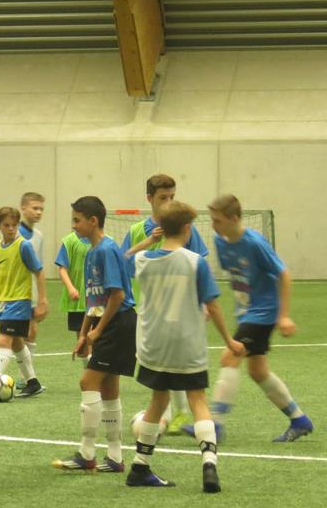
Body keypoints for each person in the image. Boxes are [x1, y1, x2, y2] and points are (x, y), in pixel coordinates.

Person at [128, 201, 244, 491]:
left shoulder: (142, 260)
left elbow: (123, 257)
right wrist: (229, 340)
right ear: (188, 228)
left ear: (161, 228)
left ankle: (140, 467)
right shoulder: (195, 262)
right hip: (186, 344)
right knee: (198, 400)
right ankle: (209, 465)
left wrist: (148, 241)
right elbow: (213, 306)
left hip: (154, 344)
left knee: (158, 401)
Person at [189, 194, 313, 443]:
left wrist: (283, 316)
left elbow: (284, 274)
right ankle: (299, 420)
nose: (213, 225)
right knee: (258, 371)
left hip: (263, 312)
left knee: (230, 355)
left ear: (234, 218)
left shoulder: (255, 243)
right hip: (247, 312)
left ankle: (215, 424)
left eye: (217, 220)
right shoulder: (220, 240)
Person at [121, 173, 209, 434]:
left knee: (177, 360)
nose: (169, 202)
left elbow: (200, 261)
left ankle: (175, 414)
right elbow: (124, 263)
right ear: (150, 198)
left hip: (183, 308)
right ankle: (169, 414)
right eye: (163, 198)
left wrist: (203, 301)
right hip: (151, 309)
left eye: (172, 197)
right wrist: (148, 242)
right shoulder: (137, 231)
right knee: (161, 364)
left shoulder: (184, 226)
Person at [53, 196, 135, 474]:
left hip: (119, 321)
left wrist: (99, 330)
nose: (74, 226)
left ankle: (87, 453)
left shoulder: (107, 250)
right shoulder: (91, 252)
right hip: (106, 321)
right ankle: (115, 457)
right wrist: (84, 332)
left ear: (93, 220)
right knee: (108, 388)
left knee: (87, 381)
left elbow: (117, 295)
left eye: (77, 220)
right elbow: (94, 299)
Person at [0, 206, 47, 397]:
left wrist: (42, 300)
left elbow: (39, 272)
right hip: (2, 303)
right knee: (17, 343)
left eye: (14, 225)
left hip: (19, 302)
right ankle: (33, 382)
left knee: (4, 339)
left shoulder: (24, 246)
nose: (11, 229)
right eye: (6, 225)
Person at [19, 191, 46, 358]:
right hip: (14, 293)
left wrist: (42, 298)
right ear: (23, 208)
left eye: (41, 209)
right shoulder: (13, 233)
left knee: (31, 332)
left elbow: (39, 269)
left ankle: (25, 374)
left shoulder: (39, 236)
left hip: (32, 294)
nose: (39, 212)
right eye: (35, 208)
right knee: (9, 337)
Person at [54, 227, 90, 343]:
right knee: (82, 339)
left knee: (95, 338)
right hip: (79, 301)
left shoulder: (105, 242)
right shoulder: (69, 241)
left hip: (98, 299)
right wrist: (71, 288)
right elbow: (62, 268)